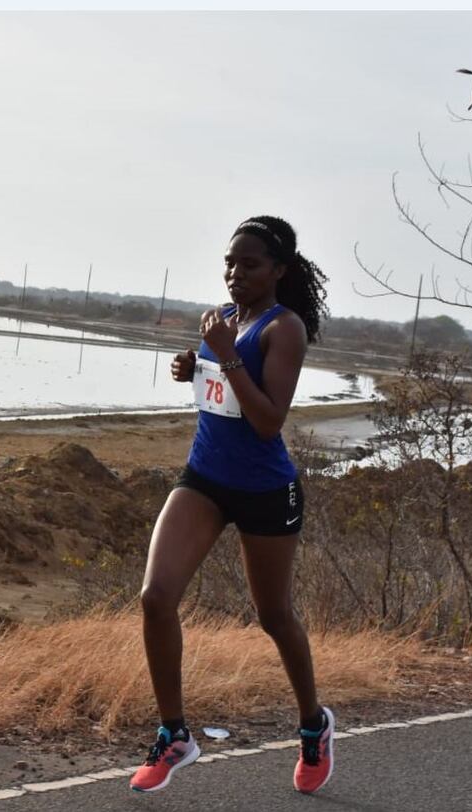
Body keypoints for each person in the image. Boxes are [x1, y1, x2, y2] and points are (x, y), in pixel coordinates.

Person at [129, 216, 334, 795]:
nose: (235, 273)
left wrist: (226, 356)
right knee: (155, 597)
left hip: (266, 489)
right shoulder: (222, 320)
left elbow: (269, 422)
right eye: (229, 262)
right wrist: (195, 367)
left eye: (249, 264)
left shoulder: (282, 328)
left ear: (278, 271)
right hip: (205, 478)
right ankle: (175, 734)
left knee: (274, 616)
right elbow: (221, 389)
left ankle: (314, 725)